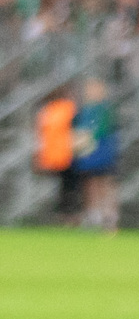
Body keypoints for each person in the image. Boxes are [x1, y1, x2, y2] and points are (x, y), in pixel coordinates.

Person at [72, 77, 119, 232]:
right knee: (90, 183)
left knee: (105, 183)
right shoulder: (85, 110)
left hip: (103, 152)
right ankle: (93, 215)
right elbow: (80, 131)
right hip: (88, 153)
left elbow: (100, 131)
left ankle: (110, 216)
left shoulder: (104, 110)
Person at [34, 88, 78, 220]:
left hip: (53, 155)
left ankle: (65, 215)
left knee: (64, 187)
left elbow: (40, 136)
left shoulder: (46, 111)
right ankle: (69, 215)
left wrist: (39, 155)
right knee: (68, 187)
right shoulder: (68, 109)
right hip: (67, 154)